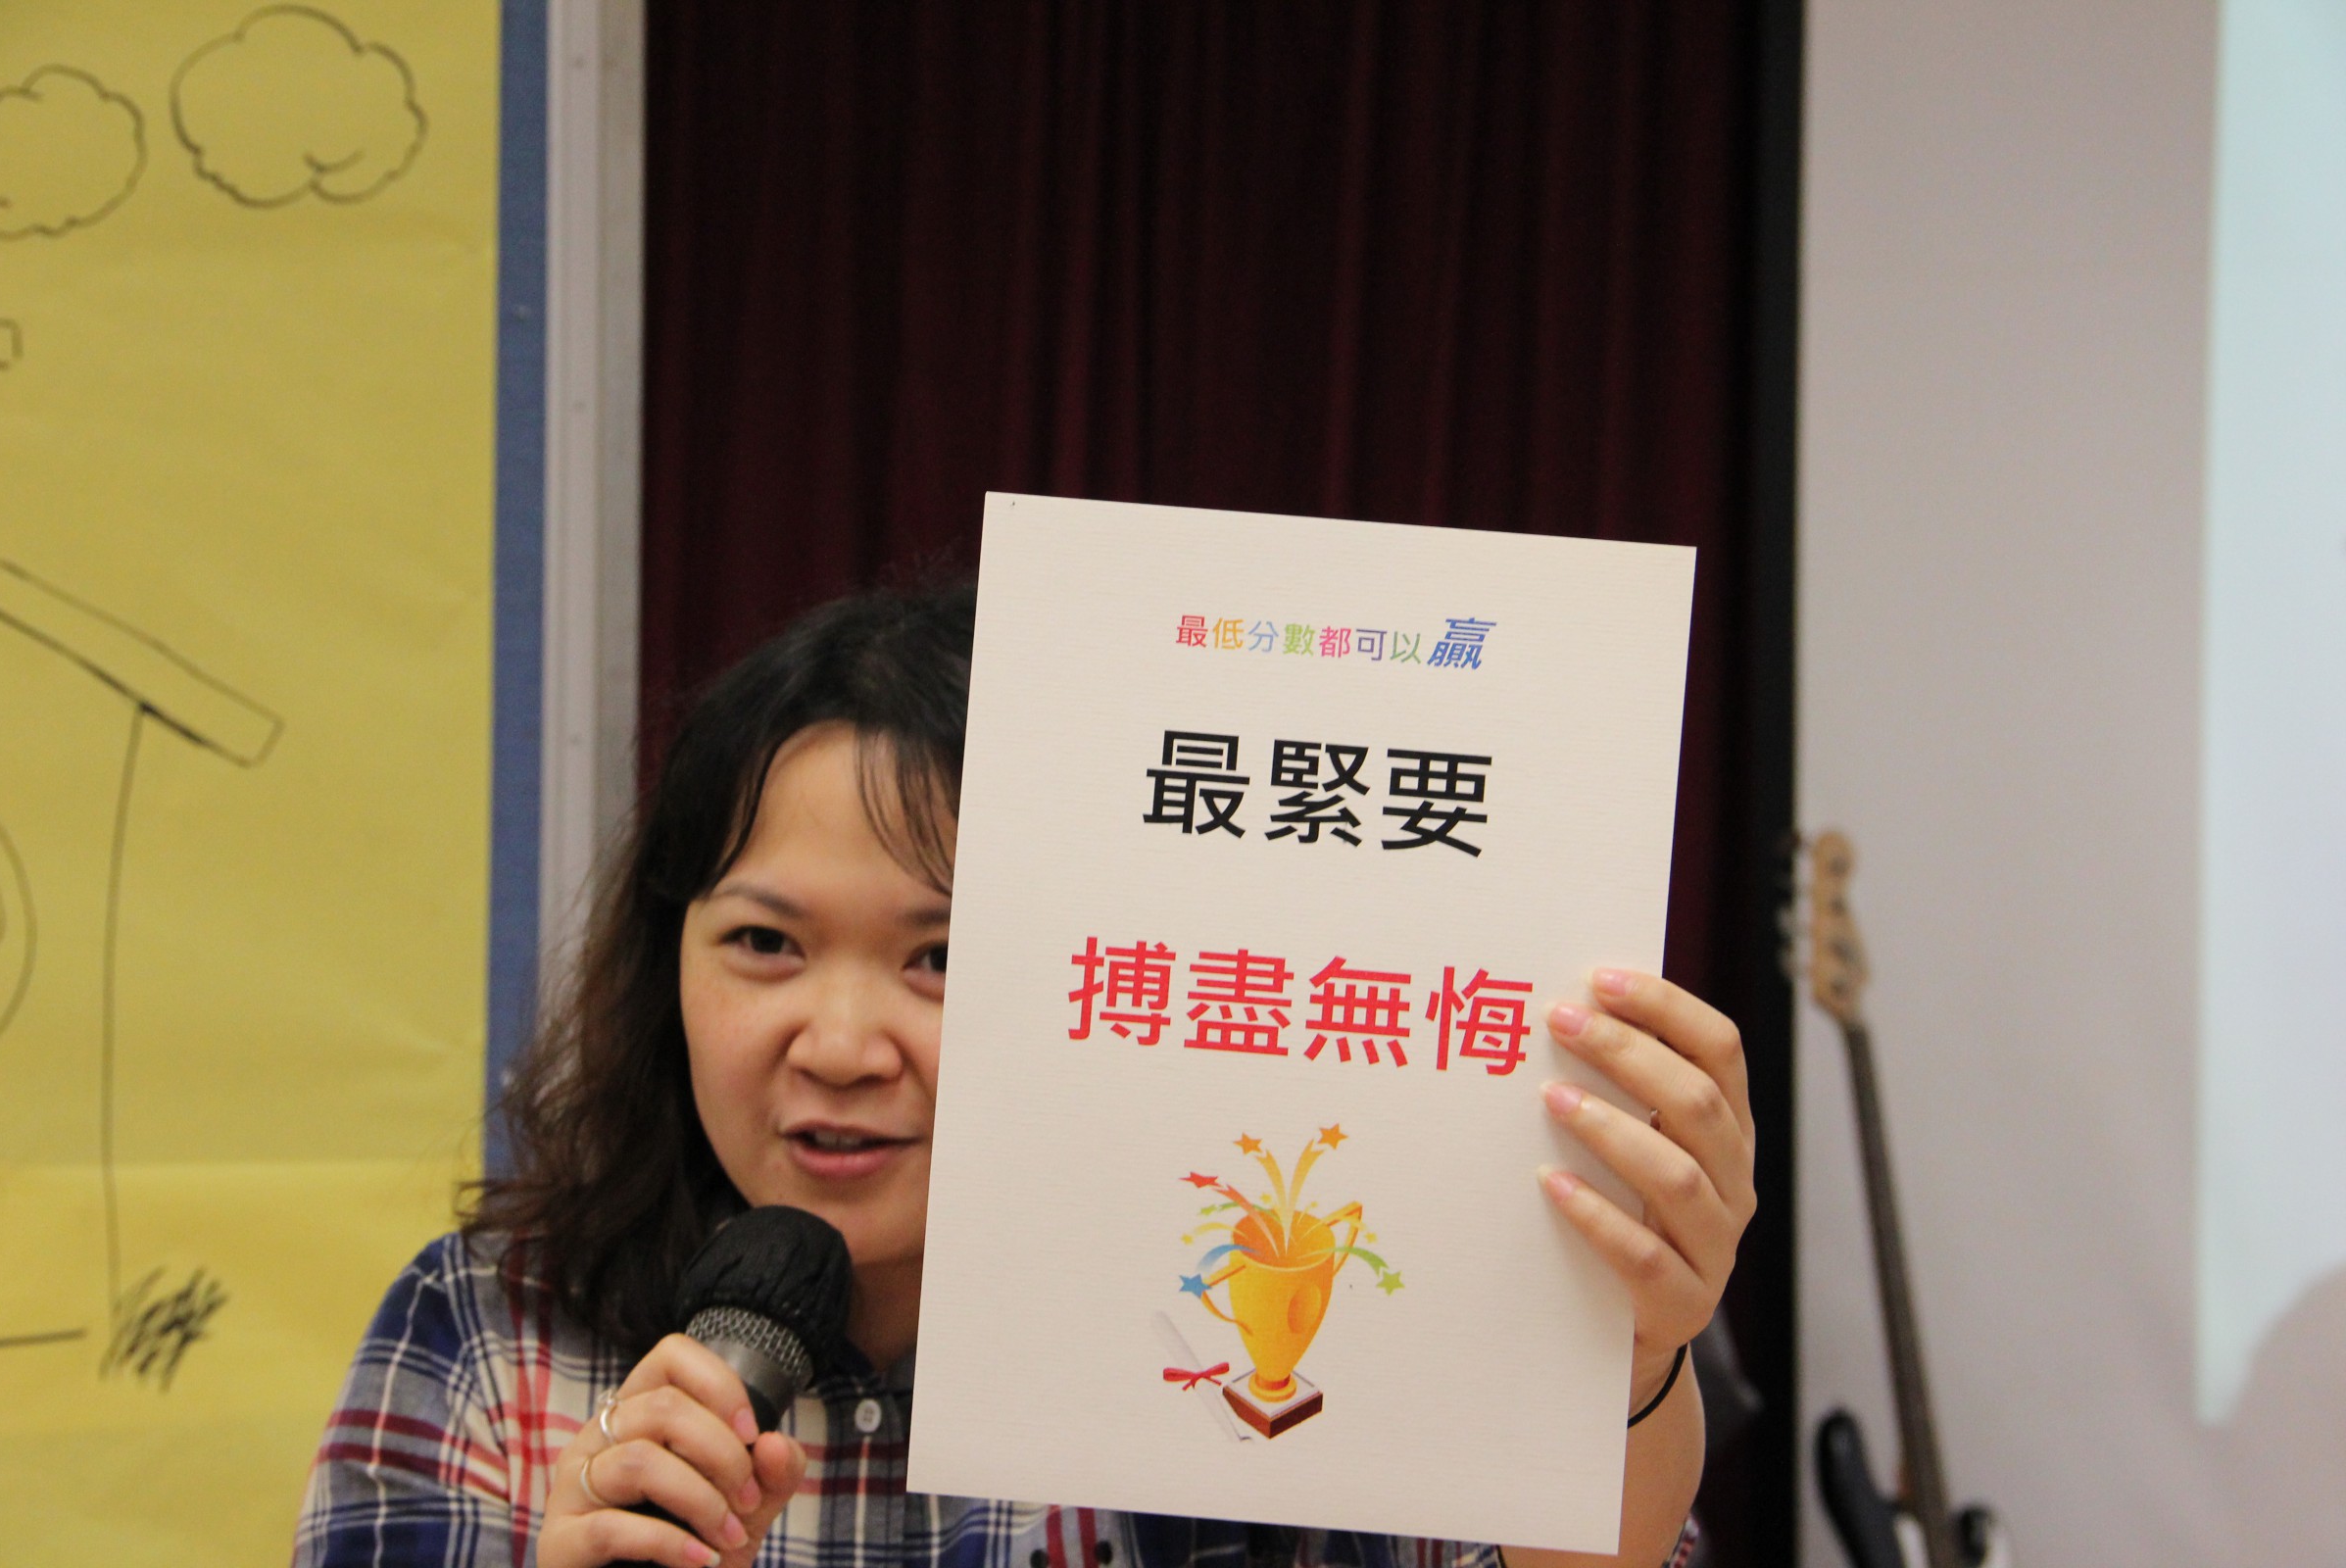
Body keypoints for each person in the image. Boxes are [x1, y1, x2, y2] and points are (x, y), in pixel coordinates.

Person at [294, 586, 1755, 1568]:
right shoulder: (489, 1334)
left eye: (940, 956)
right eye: (764, 943)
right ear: (661, 958)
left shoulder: (1268, 1324)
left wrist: (1618, 1370)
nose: (842, 1045)